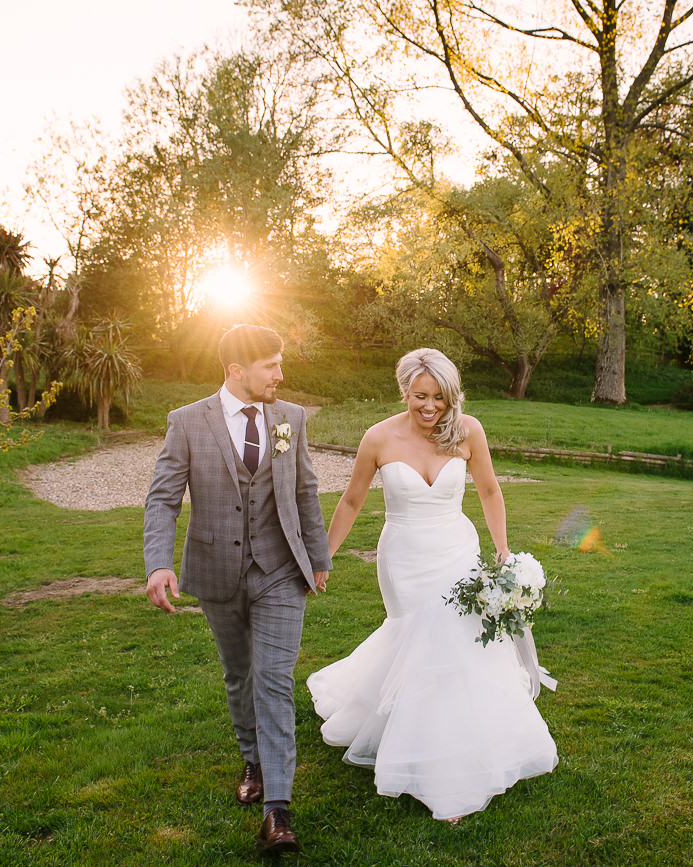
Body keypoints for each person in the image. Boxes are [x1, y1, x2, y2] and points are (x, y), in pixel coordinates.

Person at [307, 348, 557, 822]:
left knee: (459, 647)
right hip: (403, 559)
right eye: (421, 396)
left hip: (456, 552)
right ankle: (422, 753)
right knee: (419, 645)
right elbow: (352, 500)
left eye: (439, 398)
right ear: (404, 390)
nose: (430, 407)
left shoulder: (468, 430)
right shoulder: (378, 437)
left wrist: (502, 551)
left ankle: (456, 760)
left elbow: (488, 490)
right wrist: (324, 556)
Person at [144, 324, 331, 853]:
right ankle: (251, 757)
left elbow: (306, 489)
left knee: (273, 679)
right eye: (270, 365)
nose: (280, 374)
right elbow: (162, 500)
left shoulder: (290, 418)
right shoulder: (186, 423)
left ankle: (278, 810)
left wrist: (318, 558)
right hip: (216, 570)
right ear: (236, 372)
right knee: (238, 674)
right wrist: (158, 563)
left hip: (280, 571)